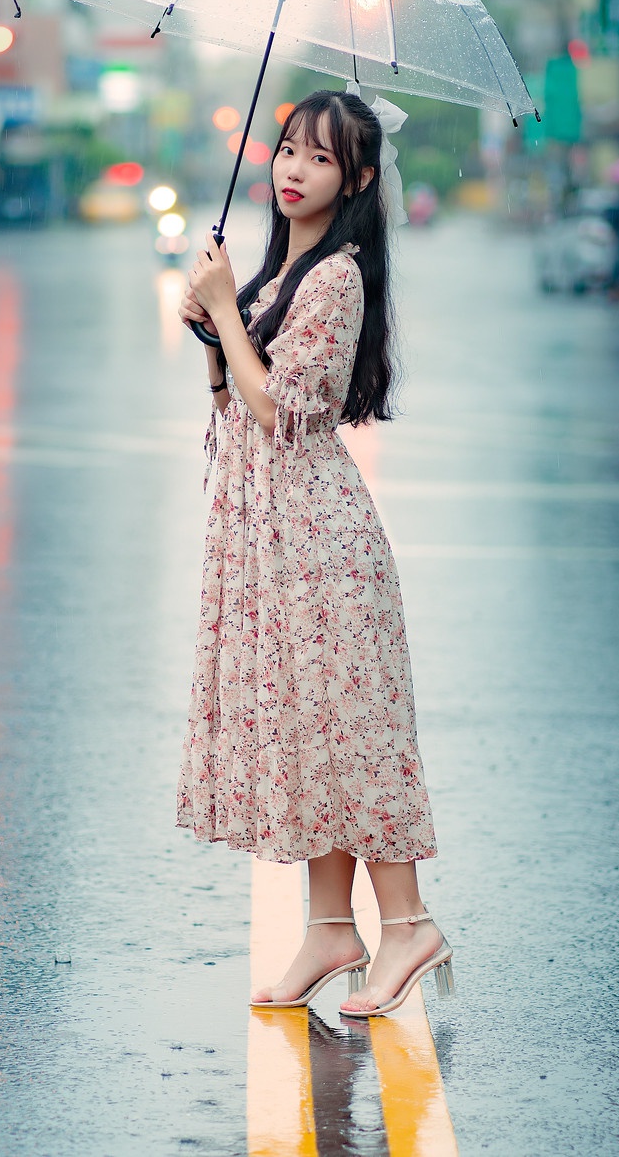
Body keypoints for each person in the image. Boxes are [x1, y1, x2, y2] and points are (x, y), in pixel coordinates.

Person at [177, 89, 451, 1019]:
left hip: (320, 544)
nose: (293, 169)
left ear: (360, 179)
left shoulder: (337, 277)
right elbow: (235, 406)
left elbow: (287, 413)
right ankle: (333, 929)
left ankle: (407, 923)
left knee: (353, 728)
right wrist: (218, 339)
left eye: (321, 159)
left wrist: (223, 309)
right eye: (288, 149)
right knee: (310, 734)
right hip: (269, 538)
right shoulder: (276, 273)